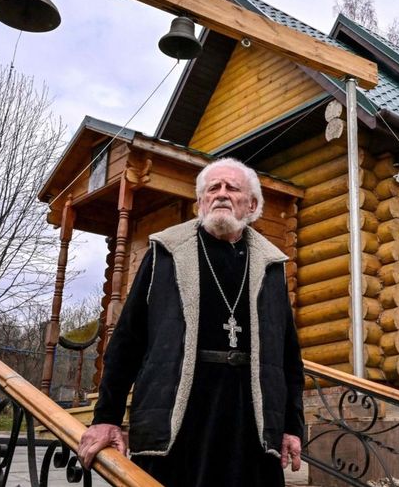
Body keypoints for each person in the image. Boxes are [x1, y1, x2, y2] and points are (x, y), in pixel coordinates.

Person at [78, 158, 305, 486]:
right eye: (213, 188)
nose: (222, 194)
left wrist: (291, 426)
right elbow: (127, 340)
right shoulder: (165, 252)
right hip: (177, 414)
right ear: (200, 203)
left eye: (232, 188)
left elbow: (287, 358)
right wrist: (107, 417)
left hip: (250, 419)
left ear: (253, 204)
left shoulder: (272, 266)